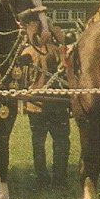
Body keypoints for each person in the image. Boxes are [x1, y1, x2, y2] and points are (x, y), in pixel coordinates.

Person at [20, 27, 71, 189]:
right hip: (58, 105)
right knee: (61, 142)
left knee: (38, 143)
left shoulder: (26, 52)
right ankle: (59, 179)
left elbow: (21, 79)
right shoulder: (58, 52)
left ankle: (42, 178)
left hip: (35, 105)